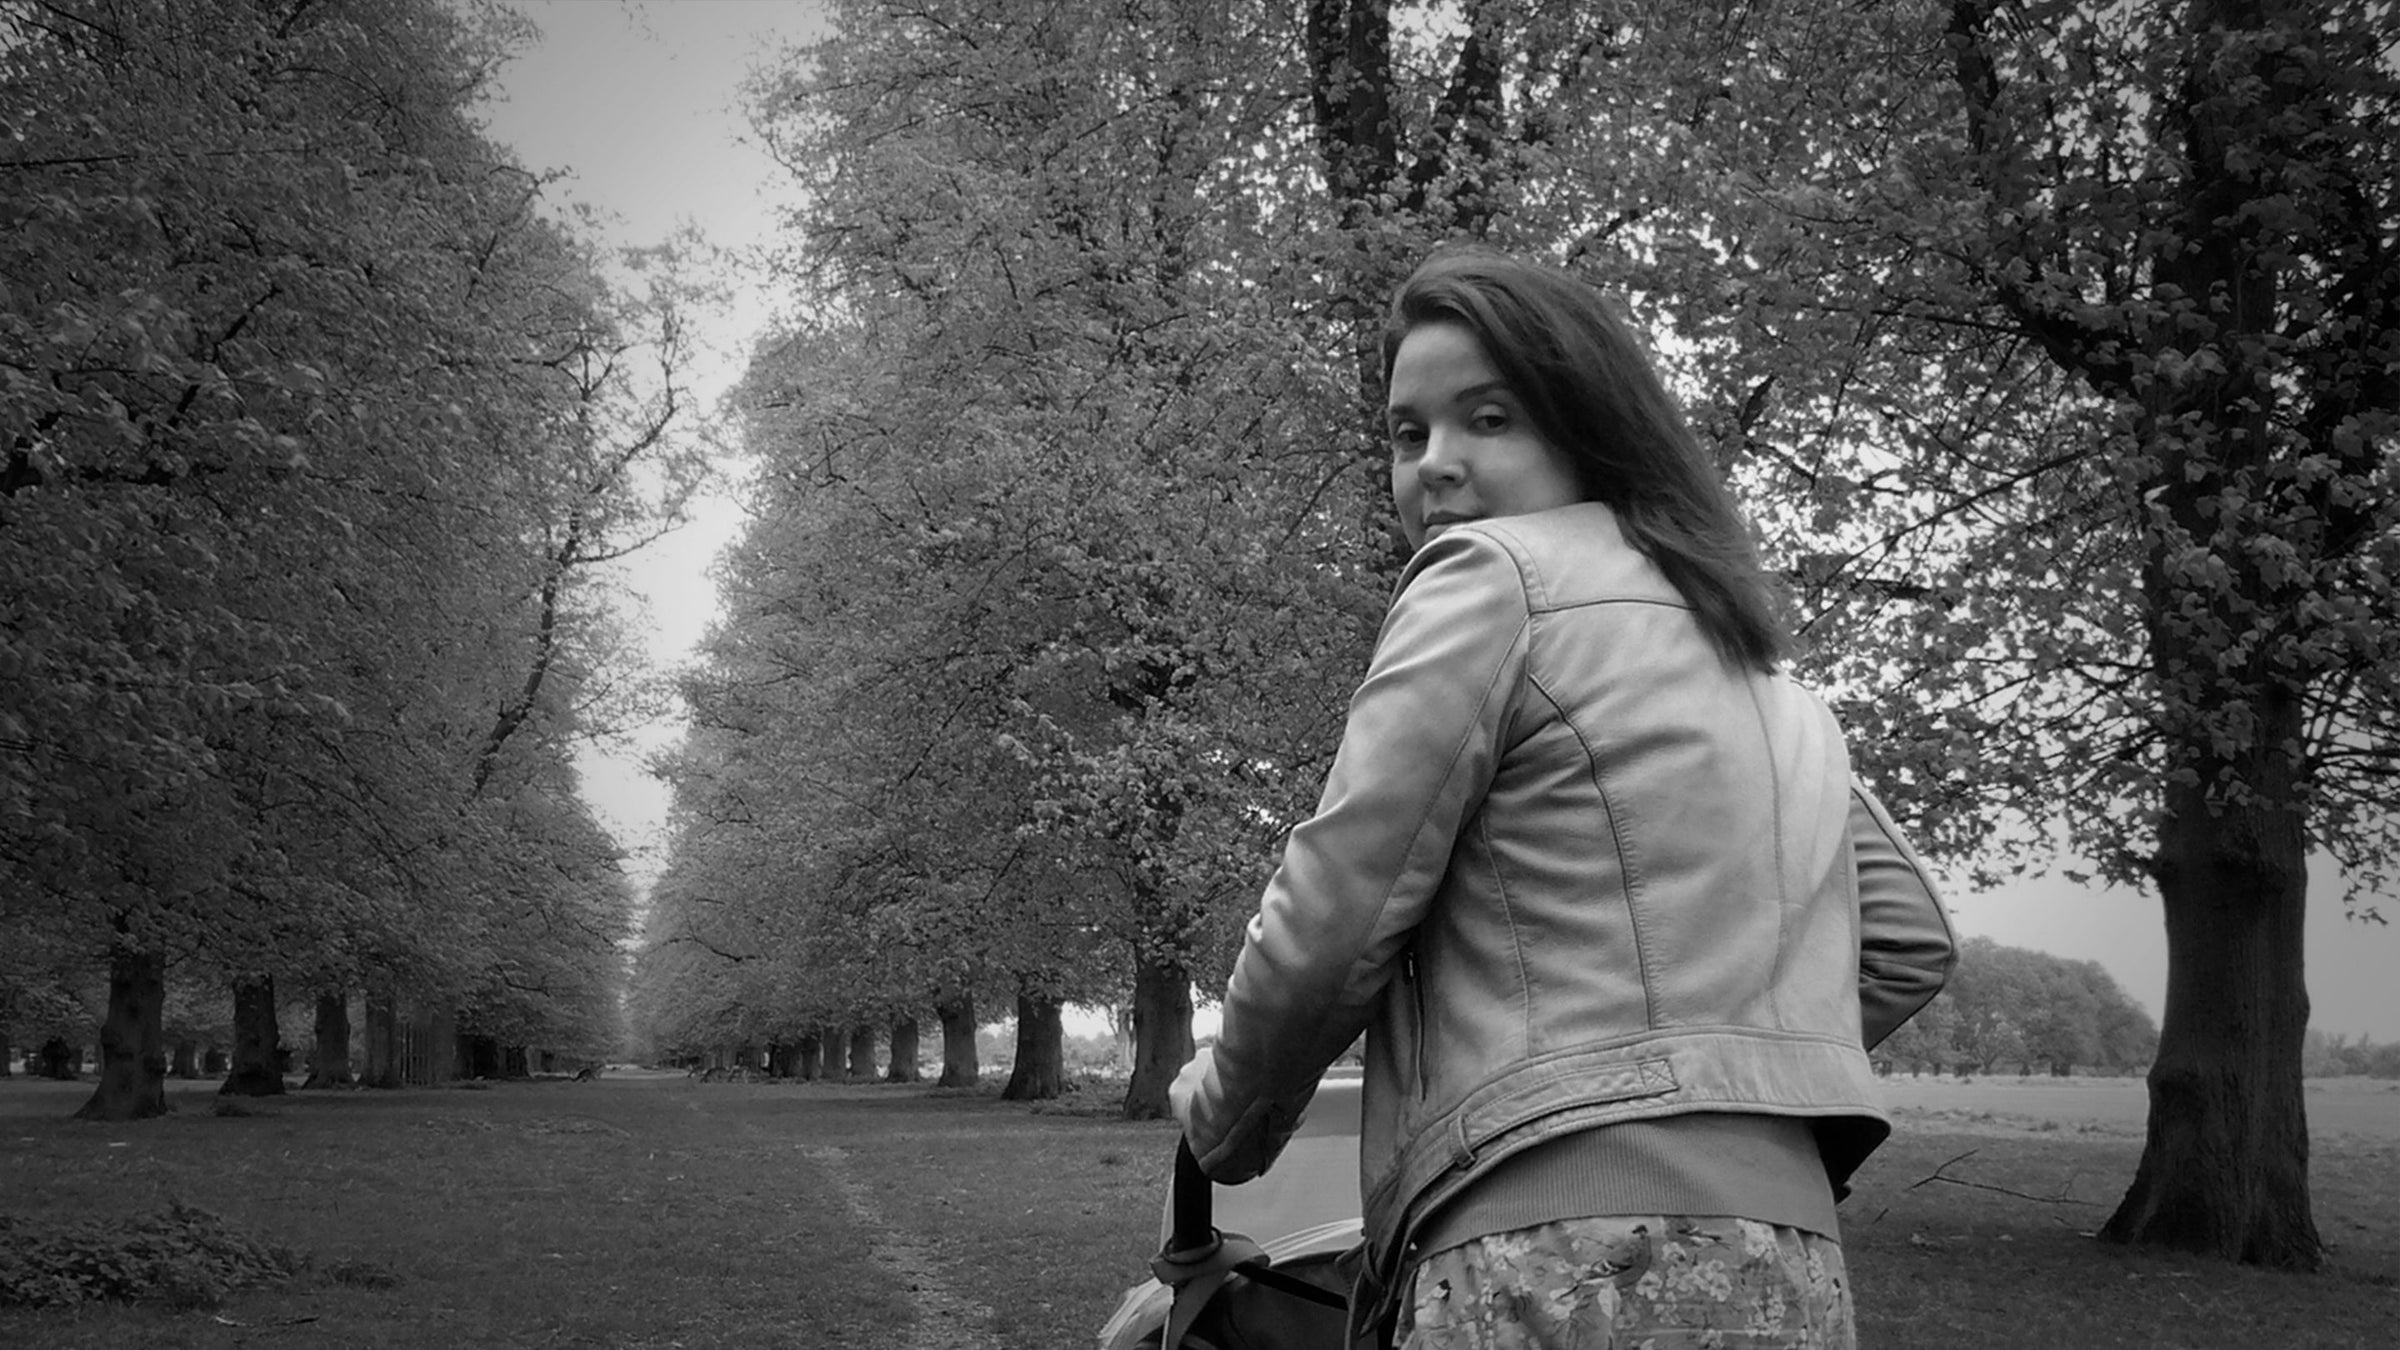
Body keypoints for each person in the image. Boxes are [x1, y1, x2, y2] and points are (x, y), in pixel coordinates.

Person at [1171, 248, 1956, 1349]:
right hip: (1788, 1264)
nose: (1436, 467)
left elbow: (1335, 912)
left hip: (1552, 1248)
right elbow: (1909, 942)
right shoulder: (1758, 665)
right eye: (1407, 434)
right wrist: (1709, 1079)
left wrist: (1225, 1118)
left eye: (1488, 419)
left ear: (1588, 424)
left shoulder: (1492, 577)